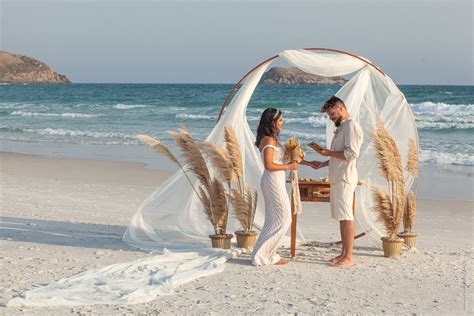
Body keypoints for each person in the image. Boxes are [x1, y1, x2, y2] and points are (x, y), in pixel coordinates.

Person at [310, 96, 363, 267]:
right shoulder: (342, 127)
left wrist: (328, 154)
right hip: (338, 176)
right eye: (328, 115)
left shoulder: (351, 126)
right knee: (342, 216)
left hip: (345, 178)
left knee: (346, 216)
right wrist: (323, 163)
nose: (330, 117)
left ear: (340, 108)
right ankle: (343, 254)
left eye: (331, 113)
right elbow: (340, 155)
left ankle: (348, 257)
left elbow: (351, 154)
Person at [251, 108, 299, 266]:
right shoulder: (268, 141)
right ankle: (263, 255)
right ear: (272, 122)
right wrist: (288, 167)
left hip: (276, 180)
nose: (282, 123)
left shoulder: (271, 139)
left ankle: (264, 254)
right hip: (272, 180)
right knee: (284, 218)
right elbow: (269, 165)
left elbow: (279, 160)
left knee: (273, 219)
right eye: (280, 121)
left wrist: (297, 158)